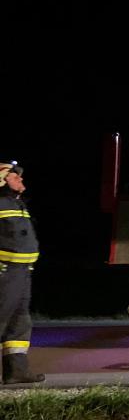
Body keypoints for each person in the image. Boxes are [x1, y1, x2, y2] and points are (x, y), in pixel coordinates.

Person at [0, 161, 44, 384]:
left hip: (21, 272)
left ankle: (16, 370)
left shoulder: (16, 204)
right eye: (14, 176)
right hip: (5, 273)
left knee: (19, 322)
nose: (20, 179)